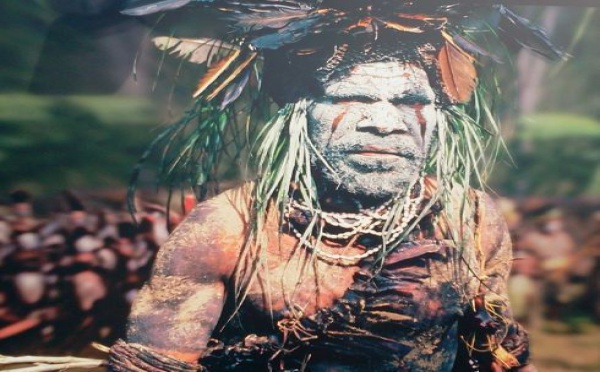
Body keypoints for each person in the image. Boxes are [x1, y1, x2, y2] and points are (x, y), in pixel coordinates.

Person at [108, 1, 566, 371]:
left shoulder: (470, 217)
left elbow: (493, 352)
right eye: (353, 97)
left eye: (410, 101)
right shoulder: (230, 226)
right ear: (301, 113)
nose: (385, 124)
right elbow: (158, 361)